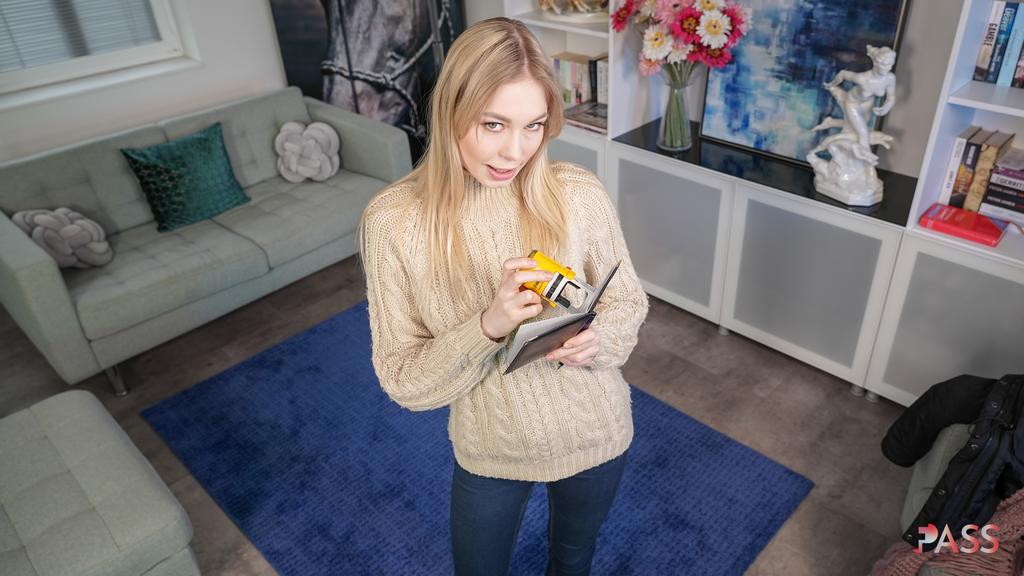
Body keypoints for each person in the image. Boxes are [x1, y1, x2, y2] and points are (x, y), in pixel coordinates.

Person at [356, 17, 649, 576]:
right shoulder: (393, 223)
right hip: (490, 450)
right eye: (493, 124)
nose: (514, 151)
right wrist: (486, 326)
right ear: (451, 112)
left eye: (533, 125)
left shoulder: (578, 194)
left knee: (573, 560)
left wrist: (598, 342)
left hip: (596, 430)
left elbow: (627, 302)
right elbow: (403, 381)